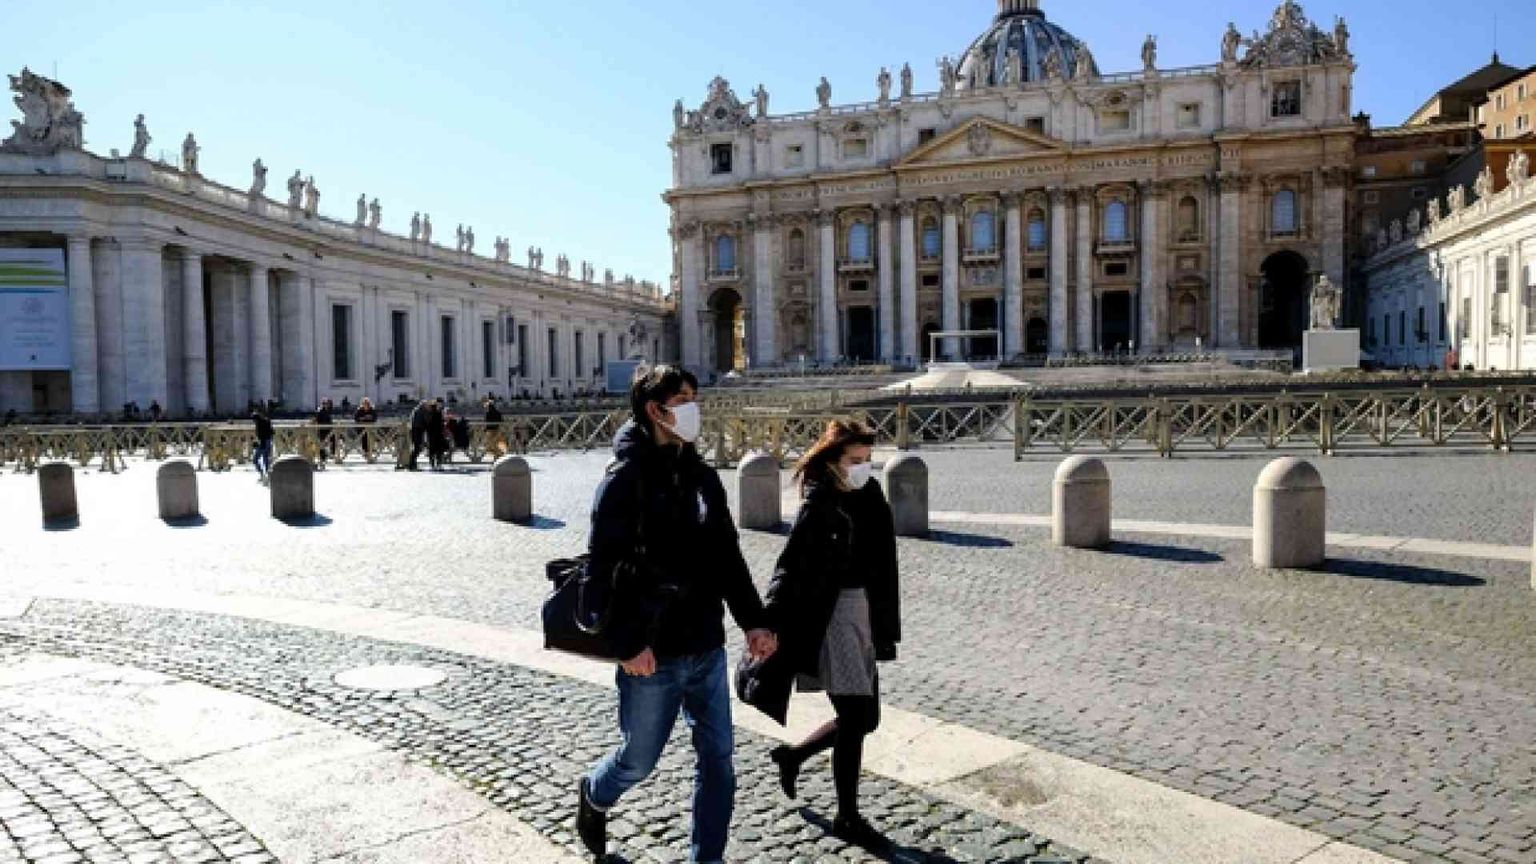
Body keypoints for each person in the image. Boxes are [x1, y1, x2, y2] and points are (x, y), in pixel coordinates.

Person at [576, 365, 778, 864]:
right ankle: (594, 795)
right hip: (651, 651)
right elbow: (599, 571)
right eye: (683, 399)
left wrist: (754, 620)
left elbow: (727, 556)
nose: (694, 408)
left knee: (719, 759)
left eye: (694, 397)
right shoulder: (623, 481)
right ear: (655, 410)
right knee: (638, 760)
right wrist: (625, 644)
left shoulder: (703, 477)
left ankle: (706, 859)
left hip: (705, 642)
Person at [763, 419, 900, 849]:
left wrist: (885, 625)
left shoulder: (870, 493)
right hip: (833, 614)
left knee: (867, 718)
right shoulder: (819, 504)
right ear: (833, 461)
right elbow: (789, 566)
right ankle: (847, 816)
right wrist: (767, 621)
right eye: (855, 460)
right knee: (856, 718)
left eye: (867, 460)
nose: (863, 468)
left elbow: (885, 563)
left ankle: (794, 756)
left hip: (866, 611)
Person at [404, 398, 430, 471]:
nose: (428, 407)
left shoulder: (416, 410)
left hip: (414, 430)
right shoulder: (421, 411)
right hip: (417, 431)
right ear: (424, 405)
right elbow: (425, 421)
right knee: (417, 448)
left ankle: (412, 464)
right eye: (427, 405)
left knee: (417, 448)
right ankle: (411, 464)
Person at [251, 407, 275, 485]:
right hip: (268, 442)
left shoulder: (259, 425)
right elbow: (272, 432)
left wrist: (260, 443)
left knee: (256, 459)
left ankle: (263, 475)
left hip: (263, 443)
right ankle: (267, 476)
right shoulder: (266, 421)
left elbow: (261, 436)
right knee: (266, 460)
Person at [426, 400, 449, 470]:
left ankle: (432, 464)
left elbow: (427, 424)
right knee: (439, 450)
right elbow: (441, 423)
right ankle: (439, 464)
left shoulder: (428, 414)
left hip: (431, 434)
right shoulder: (438, 413)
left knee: (432, 450)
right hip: (439, 434)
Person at [314, 398, 336, 465]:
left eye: (328, 404)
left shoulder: (329, 411)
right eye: (326, 404)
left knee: (333, 440)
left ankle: (332, 454)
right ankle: (323, 457)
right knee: (322, 443)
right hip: (322, 430)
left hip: (329, 430)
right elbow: (317, 420)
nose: (327, 405)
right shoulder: (320, 411)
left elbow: (330, 420)